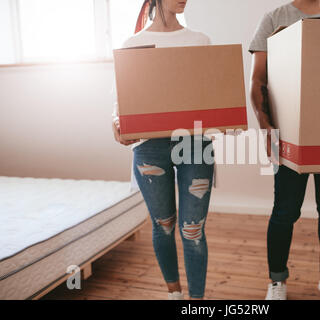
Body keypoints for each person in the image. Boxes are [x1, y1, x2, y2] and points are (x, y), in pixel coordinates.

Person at [249, 0, 320, 300]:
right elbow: (258, 79)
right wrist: (265, 123)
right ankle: (277, 282)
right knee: (285, 210)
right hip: (290, 136)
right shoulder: (275, 18)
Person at [112, 0, 214, 300]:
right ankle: (174, 294)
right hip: (150, 148)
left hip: (195, 144)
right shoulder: (134, 44)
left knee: (192, 230)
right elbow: (120, 101)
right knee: (164, 226)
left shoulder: (200, 41)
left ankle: (197, 303)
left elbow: (213, 92)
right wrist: (115, 123)